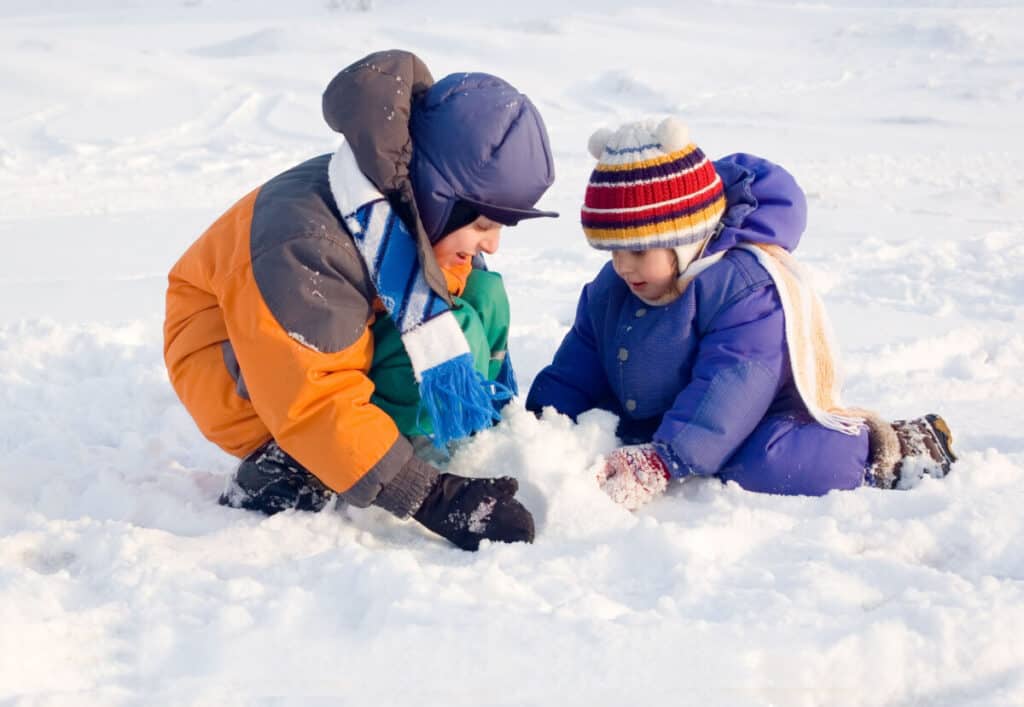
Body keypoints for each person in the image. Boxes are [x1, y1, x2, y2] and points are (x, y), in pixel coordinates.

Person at [164, 50, 557, 550]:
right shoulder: (305, 244)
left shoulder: (397, 198)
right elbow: (315, 395)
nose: (494, 242)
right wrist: (432, 496)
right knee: (380, 394)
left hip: (322, 336)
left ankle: (399, 437)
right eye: (483, 223)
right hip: (243, 371)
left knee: (481, 292)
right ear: (438, 194)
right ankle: (293, 464)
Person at [526, 117, 956, 510]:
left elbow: (732, 380)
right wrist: (541, 426)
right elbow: (578, 362)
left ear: (684, 240)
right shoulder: (614, 286)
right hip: (662, 412)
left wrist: (668, 458)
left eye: (638, 250)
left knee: (761, 464)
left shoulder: (743, 288)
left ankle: (892, 446)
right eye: (613, 250)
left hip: (755, 416)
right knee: (603, 429)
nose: (623, 266)